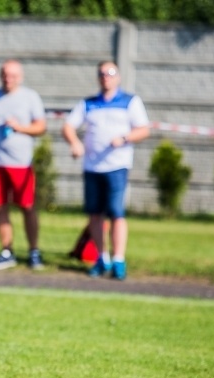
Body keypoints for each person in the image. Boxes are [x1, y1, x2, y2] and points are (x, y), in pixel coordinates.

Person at [62, 60, 150, 281]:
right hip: (92, 167)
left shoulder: (130, 101)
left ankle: (119, 260)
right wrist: (75, 143)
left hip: (117, 167)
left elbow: (143, 129)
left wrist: (125, 138)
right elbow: (68, 126)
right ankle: (102, 258)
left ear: (118, 77)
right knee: (95, 214)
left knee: (116, 213)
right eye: (102, 73)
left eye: (111, 73)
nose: (106, 77)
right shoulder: (88, 104)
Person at [0, 59, 47, 271]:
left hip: (21, 164)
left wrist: (20, 128)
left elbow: (41, 127)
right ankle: (7, 251)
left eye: (13, 75)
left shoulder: (30, 97)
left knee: (27, 207)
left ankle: (34, 251)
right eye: (5, 74)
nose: (8, 79)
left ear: (20, 77)